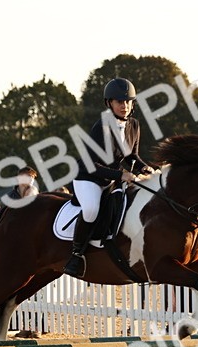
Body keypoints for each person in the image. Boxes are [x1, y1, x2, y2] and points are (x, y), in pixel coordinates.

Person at [63, 77, 155, 278]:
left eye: (128, 102)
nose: (125, 106)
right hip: (89, 178)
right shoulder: (101, 127)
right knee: (91, 209)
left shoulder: (134, 125)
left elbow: (133, 156)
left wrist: (145, 167)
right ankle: (76, 254)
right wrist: (121, 174)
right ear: (109, 103)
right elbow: (91, 165)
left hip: (112, 179)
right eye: (119, 102)